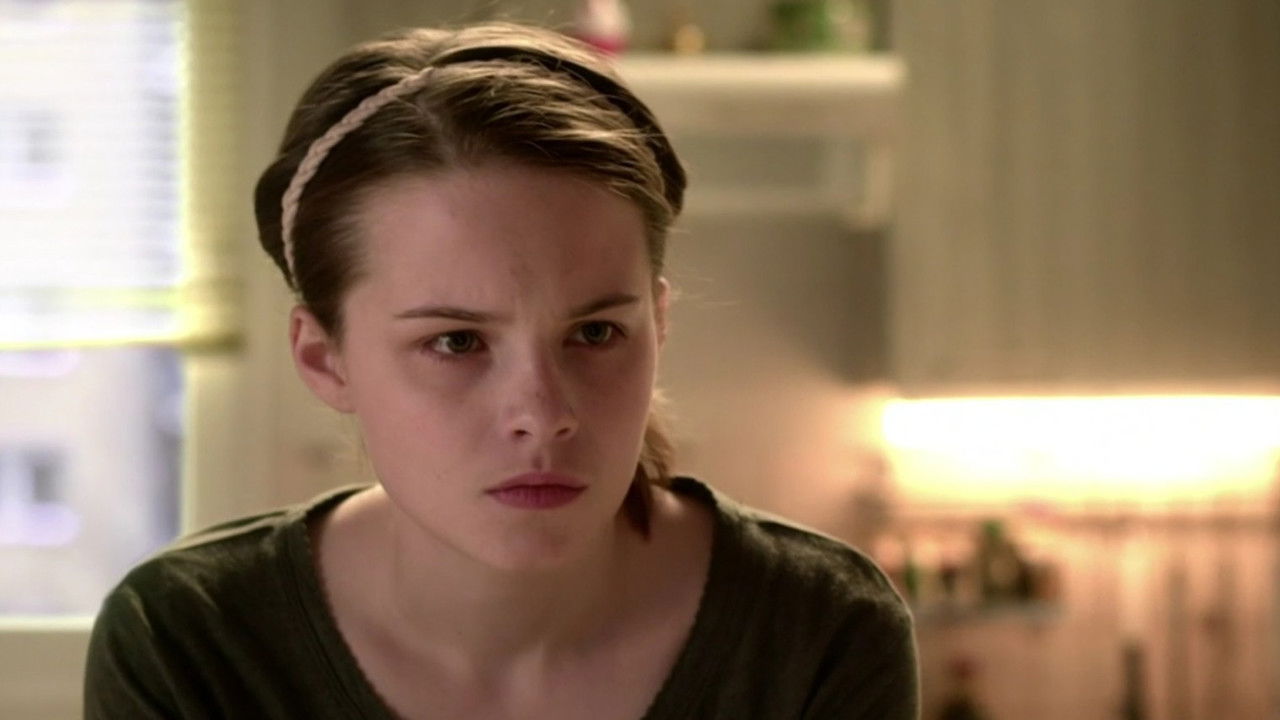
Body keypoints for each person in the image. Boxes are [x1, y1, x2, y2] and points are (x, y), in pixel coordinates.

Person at [83, 21, 919, 719]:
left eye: (595, 332)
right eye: (456, 343)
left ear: (658, 325)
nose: (543, 413)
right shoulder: (190, 640)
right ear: (323, 357)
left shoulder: (818, 630)